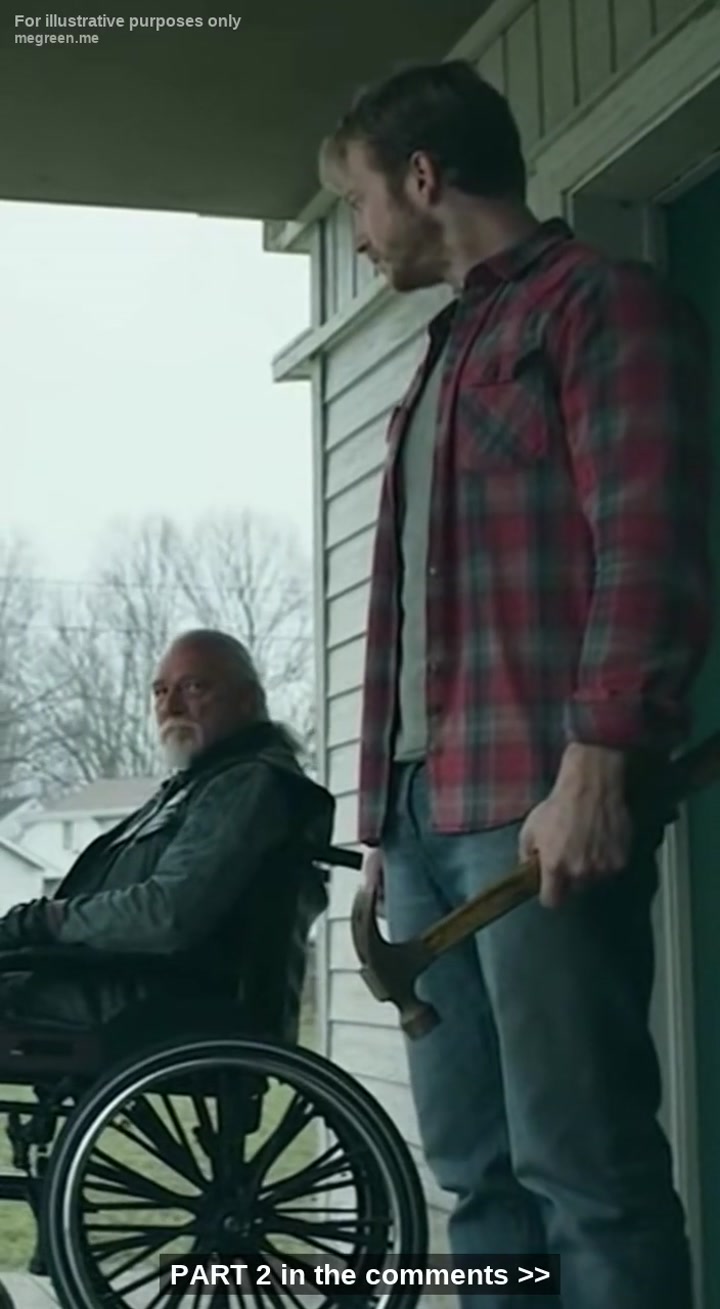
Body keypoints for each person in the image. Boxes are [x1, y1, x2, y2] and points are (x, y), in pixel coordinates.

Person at [318, 60, 713, 1309]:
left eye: (358, 202)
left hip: (536, 806)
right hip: (423, 824)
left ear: (422, 176)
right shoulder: (444, 351)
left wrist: (598, 761)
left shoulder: (603, 305)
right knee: (479, 1184)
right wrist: (384, 831)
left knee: (583, 1172)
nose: (359, 234)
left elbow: (651, 542)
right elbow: (416, 610)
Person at [0, 628, 333, 1039]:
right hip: (116, 986)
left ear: (248, 699)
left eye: (194, 687)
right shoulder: (192, 786)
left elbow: (167, 914)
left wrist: (43, 921)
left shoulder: (250, 785)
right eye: (160, 692)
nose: (171, 706)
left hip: (160, 1003)